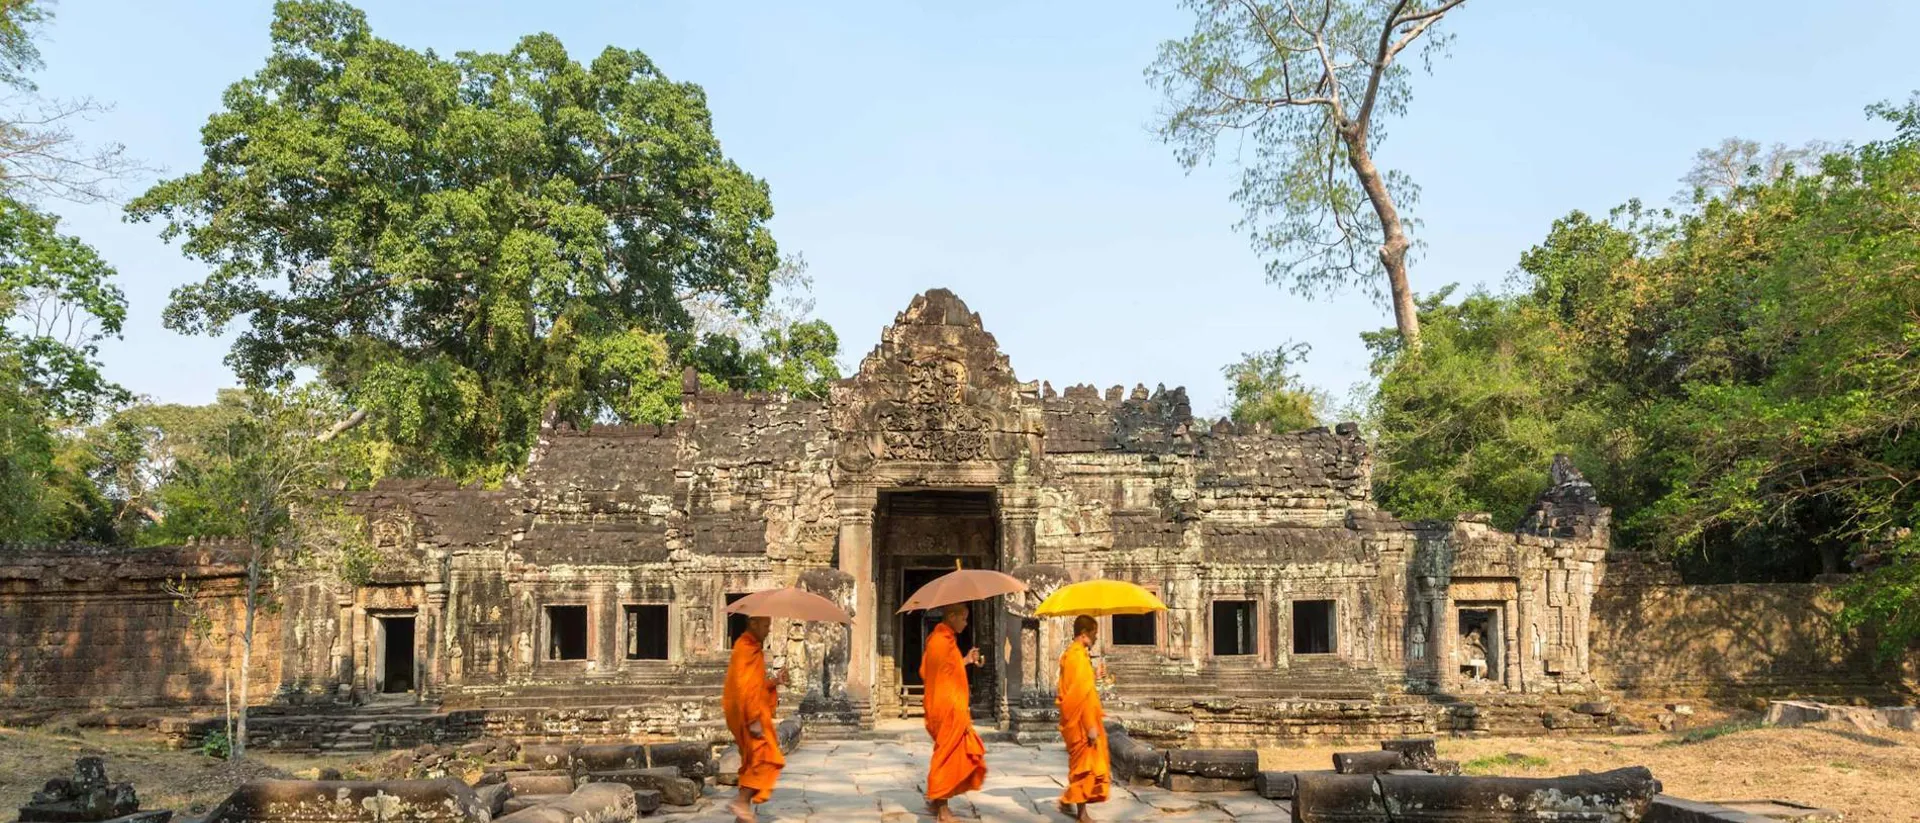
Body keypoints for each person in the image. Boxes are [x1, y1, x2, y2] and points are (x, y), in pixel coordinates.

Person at [921, 603, 987, 822]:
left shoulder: (946, 640)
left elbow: (946, 669)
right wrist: (955, 707)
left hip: (952, 706)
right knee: (946, 757)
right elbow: (934, 675)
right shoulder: (939, 642)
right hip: (946, 708)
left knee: (954, 754)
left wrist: (966, 660)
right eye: (964, 618)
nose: (966, 623)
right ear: (951, 616)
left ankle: (936, 799)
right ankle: (942, 809)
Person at [723, 615, 787, 823]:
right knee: (767, 758)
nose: (769, 630)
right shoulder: (745, 649)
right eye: (766, 625)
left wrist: (774, 681)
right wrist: (752, 720)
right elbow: (744, 688)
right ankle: (741, 801)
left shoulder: (752, 647)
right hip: (748, 714)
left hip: (750, 710)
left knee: (752, 762)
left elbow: (755, 686)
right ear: (753, 624)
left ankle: (742, 817)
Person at [1056, 616, 1110, 822]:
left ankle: (1069, 799)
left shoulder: (1074, 655)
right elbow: (1080, 697)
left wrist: (1093, 675)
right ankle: (1082, 814)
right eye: (1095, 633)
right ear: (1085, 634)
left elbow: (1078, 686)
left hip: (1080, 718)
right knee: (1085, 768)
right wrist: (1090, 727)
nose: (1097, 638)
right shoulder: (1077, 658)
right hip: (1082, 721)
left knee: (1083, 766)